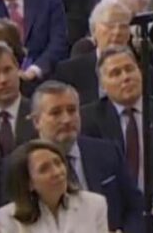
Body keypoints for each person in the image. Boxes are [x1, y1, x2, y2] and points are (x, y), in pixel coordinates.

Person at [81, 46, 153, 233]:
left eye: (130, 69)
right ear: (103, 85)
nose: (125, 77)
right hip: (114, 208)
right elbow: (93, 176)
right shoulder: (89, 119)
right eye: (115, 73)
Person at [28, 81, 144, 233]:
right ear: (36, 121)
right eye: (56, 113)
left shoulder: (107, 152)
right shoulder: (23, 164)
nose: (67, 119)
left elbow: (135, 208)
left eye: (72, 110)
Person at [0, 139, 107, 233]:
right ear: (28, 183)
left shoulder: (95, 204)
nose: (57, 172)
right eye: (44, 169)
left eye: (58, 163)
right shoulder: (9, 216)